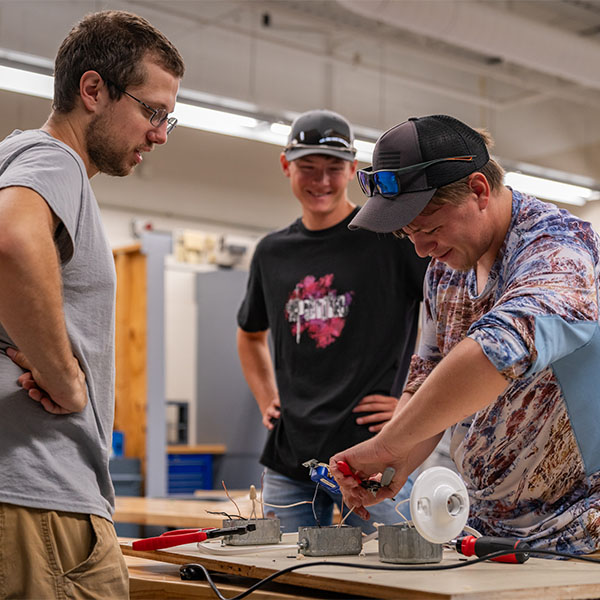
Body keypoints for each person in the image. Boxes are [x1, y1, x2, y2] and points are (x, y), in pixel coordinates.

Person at [330, 114, 600, 554]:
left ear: (477, 189)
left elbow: (498, 350)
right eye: (406, 233)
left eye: (429, 228)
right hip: (486, 533)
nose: (420, 248)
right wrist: (397, 460)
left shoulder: (560, 249)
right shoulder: (444, 273)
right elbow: (424, 383)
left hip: (580, 535)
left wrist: (385, 444)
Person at [0, 10, 184, 598]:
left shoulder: (11, 161)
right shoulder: (56, 162)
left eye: (168, 119)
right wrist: (65, 377)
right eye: (152, 112)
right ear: (93, 90)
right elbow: (11, 242)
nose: (158, 134)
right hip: (42, 496)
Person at [236, 109, 429, 533]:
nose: (321, 181)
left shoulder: (390, 239)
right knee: (288, 584)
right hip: (291, 458)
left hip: (377, 454)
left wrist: (413, 401)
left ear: (353, 170)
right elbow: (250, 335)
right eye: (308, 167)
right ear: (286, 165)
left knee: (395, 577)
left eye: (333, 169)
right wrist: (266, 394)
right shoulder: (272, 252)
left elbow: (449, 322)